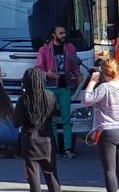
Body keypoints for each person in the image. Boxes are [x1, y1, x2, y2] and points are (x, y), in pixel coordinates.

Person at [83, 59, 119, 192]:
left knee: (110, 169)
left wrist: (92, 82)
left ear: (104, 74)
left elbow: (86, 100)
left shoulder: (104, 88)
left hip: (107, 130)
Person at [35, 25, 83, 158]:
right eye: (60, 33)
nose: (64, 35)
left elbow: (74, 65)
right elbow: (38, 69)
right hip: (49, 88)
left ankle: (68, 149)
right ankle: (54, 149)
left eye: (64, 32)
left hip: (64, 88)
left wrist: (78, 74)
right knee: (51, 120)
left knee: (66, 119)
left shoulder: (70, 48)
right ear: (53, 35)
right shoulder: (44, 50)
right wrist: (47, 74)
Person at [13, 68, 61, 192]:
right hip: (47, 140)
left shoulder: (24, 100)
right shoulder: (50, 95)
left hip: (30, 142)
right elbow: (55, 113)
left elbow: (16, 123)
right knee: (51, 175)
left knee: (33, 177)